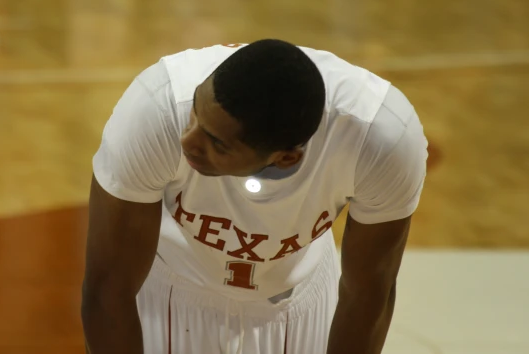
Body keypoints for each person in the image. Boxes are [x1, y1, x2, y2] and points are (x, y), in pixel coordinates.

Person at [82, 39, 428, 354]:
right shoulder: (157, 107)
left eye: (216, 143)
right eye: (195, 115)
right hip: (173, 291)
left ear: (287, 157)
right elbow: (108, 287)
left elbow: (370, 294)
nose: (188, 141)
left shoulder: (380, 138)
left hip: (297, 301)